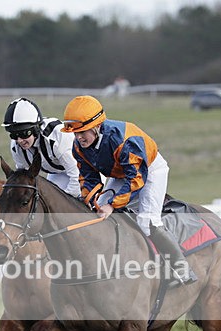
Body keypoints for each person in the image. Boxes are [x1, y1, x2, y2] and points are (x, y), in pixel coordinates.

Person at [60, 94, 197, 286]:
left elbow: (135, 180)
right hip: (119, 174)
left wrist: (112, 204)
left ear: (97, 126)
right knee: (98, 209)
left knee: (147, 222)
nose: (78, 137)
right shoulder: (79, 147)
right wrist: (92, 202)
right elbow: (88, 178)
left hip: (148, 170)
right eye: (75, 133)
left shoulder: (124, 140)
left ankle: (182, 267)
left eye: (83, 132)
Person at [2, 97, 81, 197]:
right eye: (14, 135)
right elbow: (24, 179)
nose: (19, 140)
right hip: (57, 172)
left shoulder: (57, 137)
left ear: (36, 129)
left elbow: (77, 173)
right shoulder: (16, 146)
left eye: (24, 133)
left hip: (86, 170)